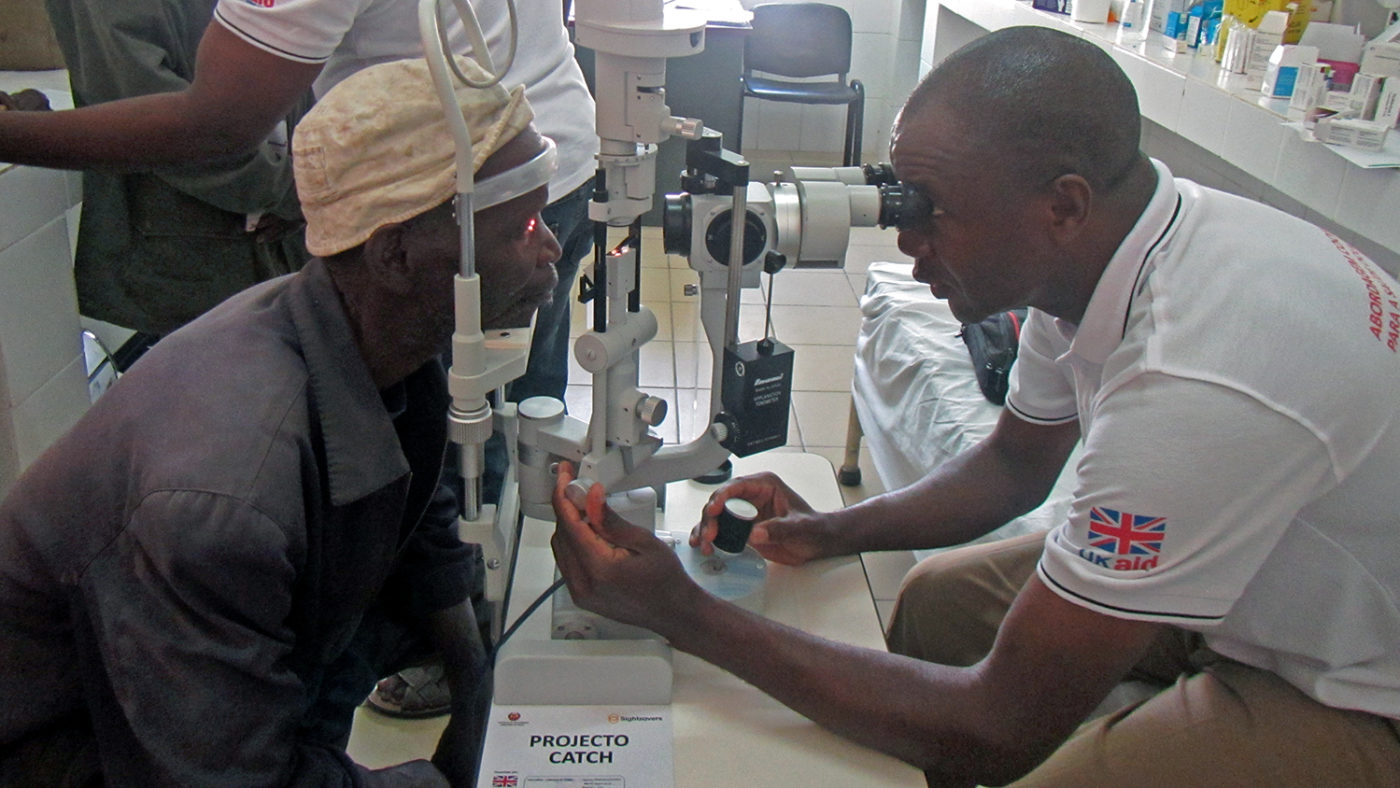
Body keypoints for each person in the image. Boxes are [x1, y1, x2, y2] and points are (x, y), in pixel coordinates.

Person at [549, 26, 1400, 787]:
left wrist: (684, 614)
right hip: (1258, 566)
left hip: (1353, 683)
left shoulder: (1192, 386)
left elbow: (1000, 731)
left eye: (933, 216)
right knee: (934, 601)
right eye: (901, 205)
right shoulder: (1109, 255)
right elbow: (1014, 464)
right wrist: (829, 529)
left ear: (1061, 205)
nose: (908, 246)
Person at [0, 56, 562, 786]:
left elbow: (420, 520)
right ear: (395, 254)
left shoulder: (379, 334)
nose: (550, 246)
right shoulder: (221, 497)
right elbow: (234, 778)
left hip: (215, 691)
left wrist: (477, 685)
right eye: (523, 225)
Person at [40, 0, 312, 339]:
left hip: (276, 234)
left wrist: (308, 177)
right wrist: (294, 187)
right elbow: (147, 116)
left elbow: (289, 55)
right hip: (194, 254)